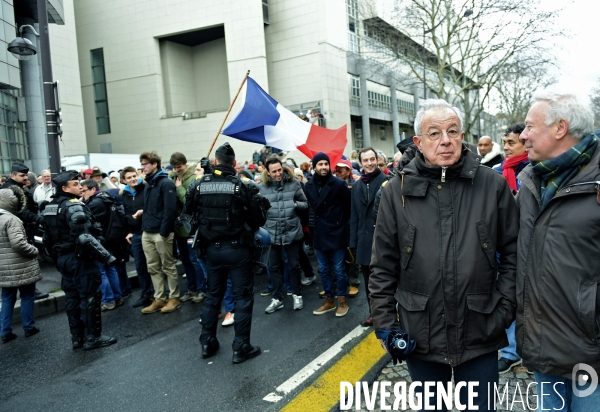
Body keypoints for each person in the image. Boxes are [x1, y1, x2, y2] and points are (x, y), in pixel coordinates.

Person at [370, 99, 519, 410]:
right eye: (434, 133)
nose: (446, 140)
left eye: (453, 131)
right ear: (418, 142)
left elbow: (514, 255)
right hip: (421, 332)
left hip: (480, 328)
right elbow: (383, 266)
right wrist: (386, 323)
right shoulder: (394, 192)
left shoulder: (491, 185)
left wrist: (503, 310)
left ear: (462, 136)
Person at [516, 92, 600, 408]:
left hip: (590, 355)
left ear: (560, 128)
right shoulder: (533, 180)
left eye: (529, 127)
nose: (522, 135)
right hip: (542, 348)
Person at [187, 143, 269, 363]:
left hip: (211, 250)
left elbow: (189, 211)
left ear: (215, 162)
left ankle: (207, 342)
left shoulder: (198, 185)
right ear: (233, 164)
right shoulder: (242, 186)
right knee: (242, 298)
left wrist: (206, 176)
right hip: (237, 250)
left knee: (212, 296)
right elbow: (259, 219)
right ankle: (241, 346)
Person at [43, 170, 117, 350]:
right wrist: (107, 257)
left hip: (64, 259)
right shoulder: (73, 206)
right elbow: (84, 238)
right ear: (64, 188)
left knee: (72, 297)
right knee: (90, 296)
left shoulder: (50, 207)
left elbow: (48, 239)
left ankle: (77, 338)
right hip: (80, 259)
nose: (80, 187)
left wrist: (57, 258)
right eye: (75, 185)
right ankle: (92, 337)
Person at [490, 124, 529, 375]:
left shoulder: (534, 172)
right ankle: (510, 350)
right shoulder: (496, 173)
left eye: (511, 143)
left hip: (526, 247)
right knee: (505, 296)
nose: (505, 147)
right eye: (503, 142)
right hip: (499, 246)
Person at [259, 156, 308, 313]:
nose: (278, 174)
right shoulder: (261, 187)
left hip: (291, 231)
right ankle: (277, 298)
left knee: (293, 265)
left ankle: (297, 294)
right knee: (273, 267)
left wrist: (294, 204)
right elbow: (258, 210)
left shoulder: (294, 183)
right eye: (274, 171)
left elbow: (305, 204)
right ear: (268, 172)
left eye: (280, 170)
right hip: (271, 232)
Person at [305, 152, 351, 317]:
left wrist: (341, 226)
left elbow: (348, 209)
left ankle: (342, 301)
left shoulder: (338, 184)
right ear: (314, 166)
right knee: (324, 269)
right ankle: (329, 300)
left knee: (339, 269)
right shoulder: (308, 185)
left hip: (336, 232)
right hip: (319, 233)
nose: (324, 167)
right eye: (320, 164)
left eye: (326, 164)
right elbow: (312, 209)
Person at [350, 147, 388, 328]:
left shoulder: (387, 181)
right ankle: (373, 314)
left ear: (377, 159)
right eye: (366, 160)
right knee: (368, 282)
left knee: (387, 280)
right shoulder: (356, 186)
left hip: (384, 240)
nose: (370, 163)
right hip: (364, 241)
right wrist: (353, 243)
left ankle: (391, 314)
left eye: (372, 159)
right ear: (361, 163)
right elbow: (354, 216)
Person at [138, 151, 179, 314]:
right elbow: (151, 207)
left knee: (168, 266)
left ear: (155, 164)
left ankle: (174, 298)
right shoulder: (149, 183)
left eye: (145, 164)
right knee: (153, 267)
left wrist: (164, 231)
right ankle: (160, 298)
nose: (143, 167)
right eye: (142, 164)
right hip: (147, 231)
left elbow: (170, 210)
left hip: (161, 232)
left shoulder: (165, 183)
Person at [0, 186, 42, 343]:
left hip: (2, 267)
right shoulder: (12, 219)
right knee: (27, 295)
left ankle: (5, 331)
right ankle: (29, 327)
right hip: (21, 265)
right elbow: (18, 244)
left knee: (7, 298)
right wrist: (34, 250)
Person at [80, 179, 124, 311]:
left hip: (98, 241)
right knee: (110, 269)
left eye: (84, 191)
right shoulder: (104, 198)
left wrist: (82, 204)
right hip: (109, 239)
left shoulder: (94, 203)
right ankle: (117, 297)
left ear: (93, 189)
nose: (82, 194)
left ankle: (108, 300)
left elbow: (87, 221)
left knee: (101, 272)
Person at [169, 152, 206, 304]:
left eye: (179, 166)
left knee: (194, 259)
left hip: (190, 226)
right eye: (175, 167)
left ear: (185, 164)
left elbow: (188, 200)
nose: (177, 169)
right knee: (185, 260)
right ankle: (191, 289)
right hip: (179, 227)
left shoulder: (193, 178)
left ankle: (201, 289)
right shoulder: (173, 178)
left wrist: (178, 188)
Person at [120, 166, 154, 308]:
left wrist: (143, 212)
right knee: (140, 266)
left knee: (154, 265)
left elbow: (154, 207)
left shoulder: (146, 188)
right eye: (129, 177)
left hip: (149, 232)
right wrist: (129, 231)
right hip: (135, 235)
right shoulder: (124, 195)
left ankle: (158, 293)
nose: (133, 179)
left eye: (134, 176)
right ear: (124, 180)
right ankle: (146, 294)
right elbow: (126, 214)